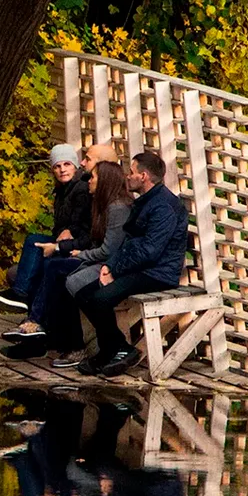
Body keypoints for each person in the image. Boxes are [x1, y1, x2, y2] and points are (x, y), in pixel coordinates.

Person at [0, 160, 132, 364]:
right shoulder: (97, 204)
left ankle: (40, 328)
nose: (88, 182)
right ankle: (39, 335)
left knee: (58, 271)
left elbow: (108, 250)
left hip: (108, 266)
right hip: (92, 257)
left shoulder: (117, 208)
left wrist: (76, 253)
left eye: (92, 178)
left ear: (104, 181)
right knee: (46, 265)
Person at [68, 151, 188, 377]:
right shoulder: (146, 201)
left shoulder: (164, 207)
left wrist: (115, 269)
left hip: (158, 273)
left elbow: (150, 251)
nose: (127, 176)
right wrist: (110, 266)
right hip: (140, 267)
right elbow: (129, 242)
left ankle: (110, 352)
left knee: (101, 299)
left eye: (131, 172)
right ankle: (120, 348)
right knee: (84, 293)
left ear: (144, 176)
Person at [0, 143, 107, 312]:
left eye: (67, 164)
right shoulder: (62, 191)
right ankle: (26, 305)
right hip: (65, 242)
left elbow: (81, 224)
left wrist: (68, 233)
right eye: (57, 166)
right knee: (26, 254)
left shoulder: (81, 188)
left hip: (78, 246)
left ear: (75, 166)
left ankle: (25, 302)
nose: (62, 169)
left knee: (37, 249)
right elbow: (60, 227)